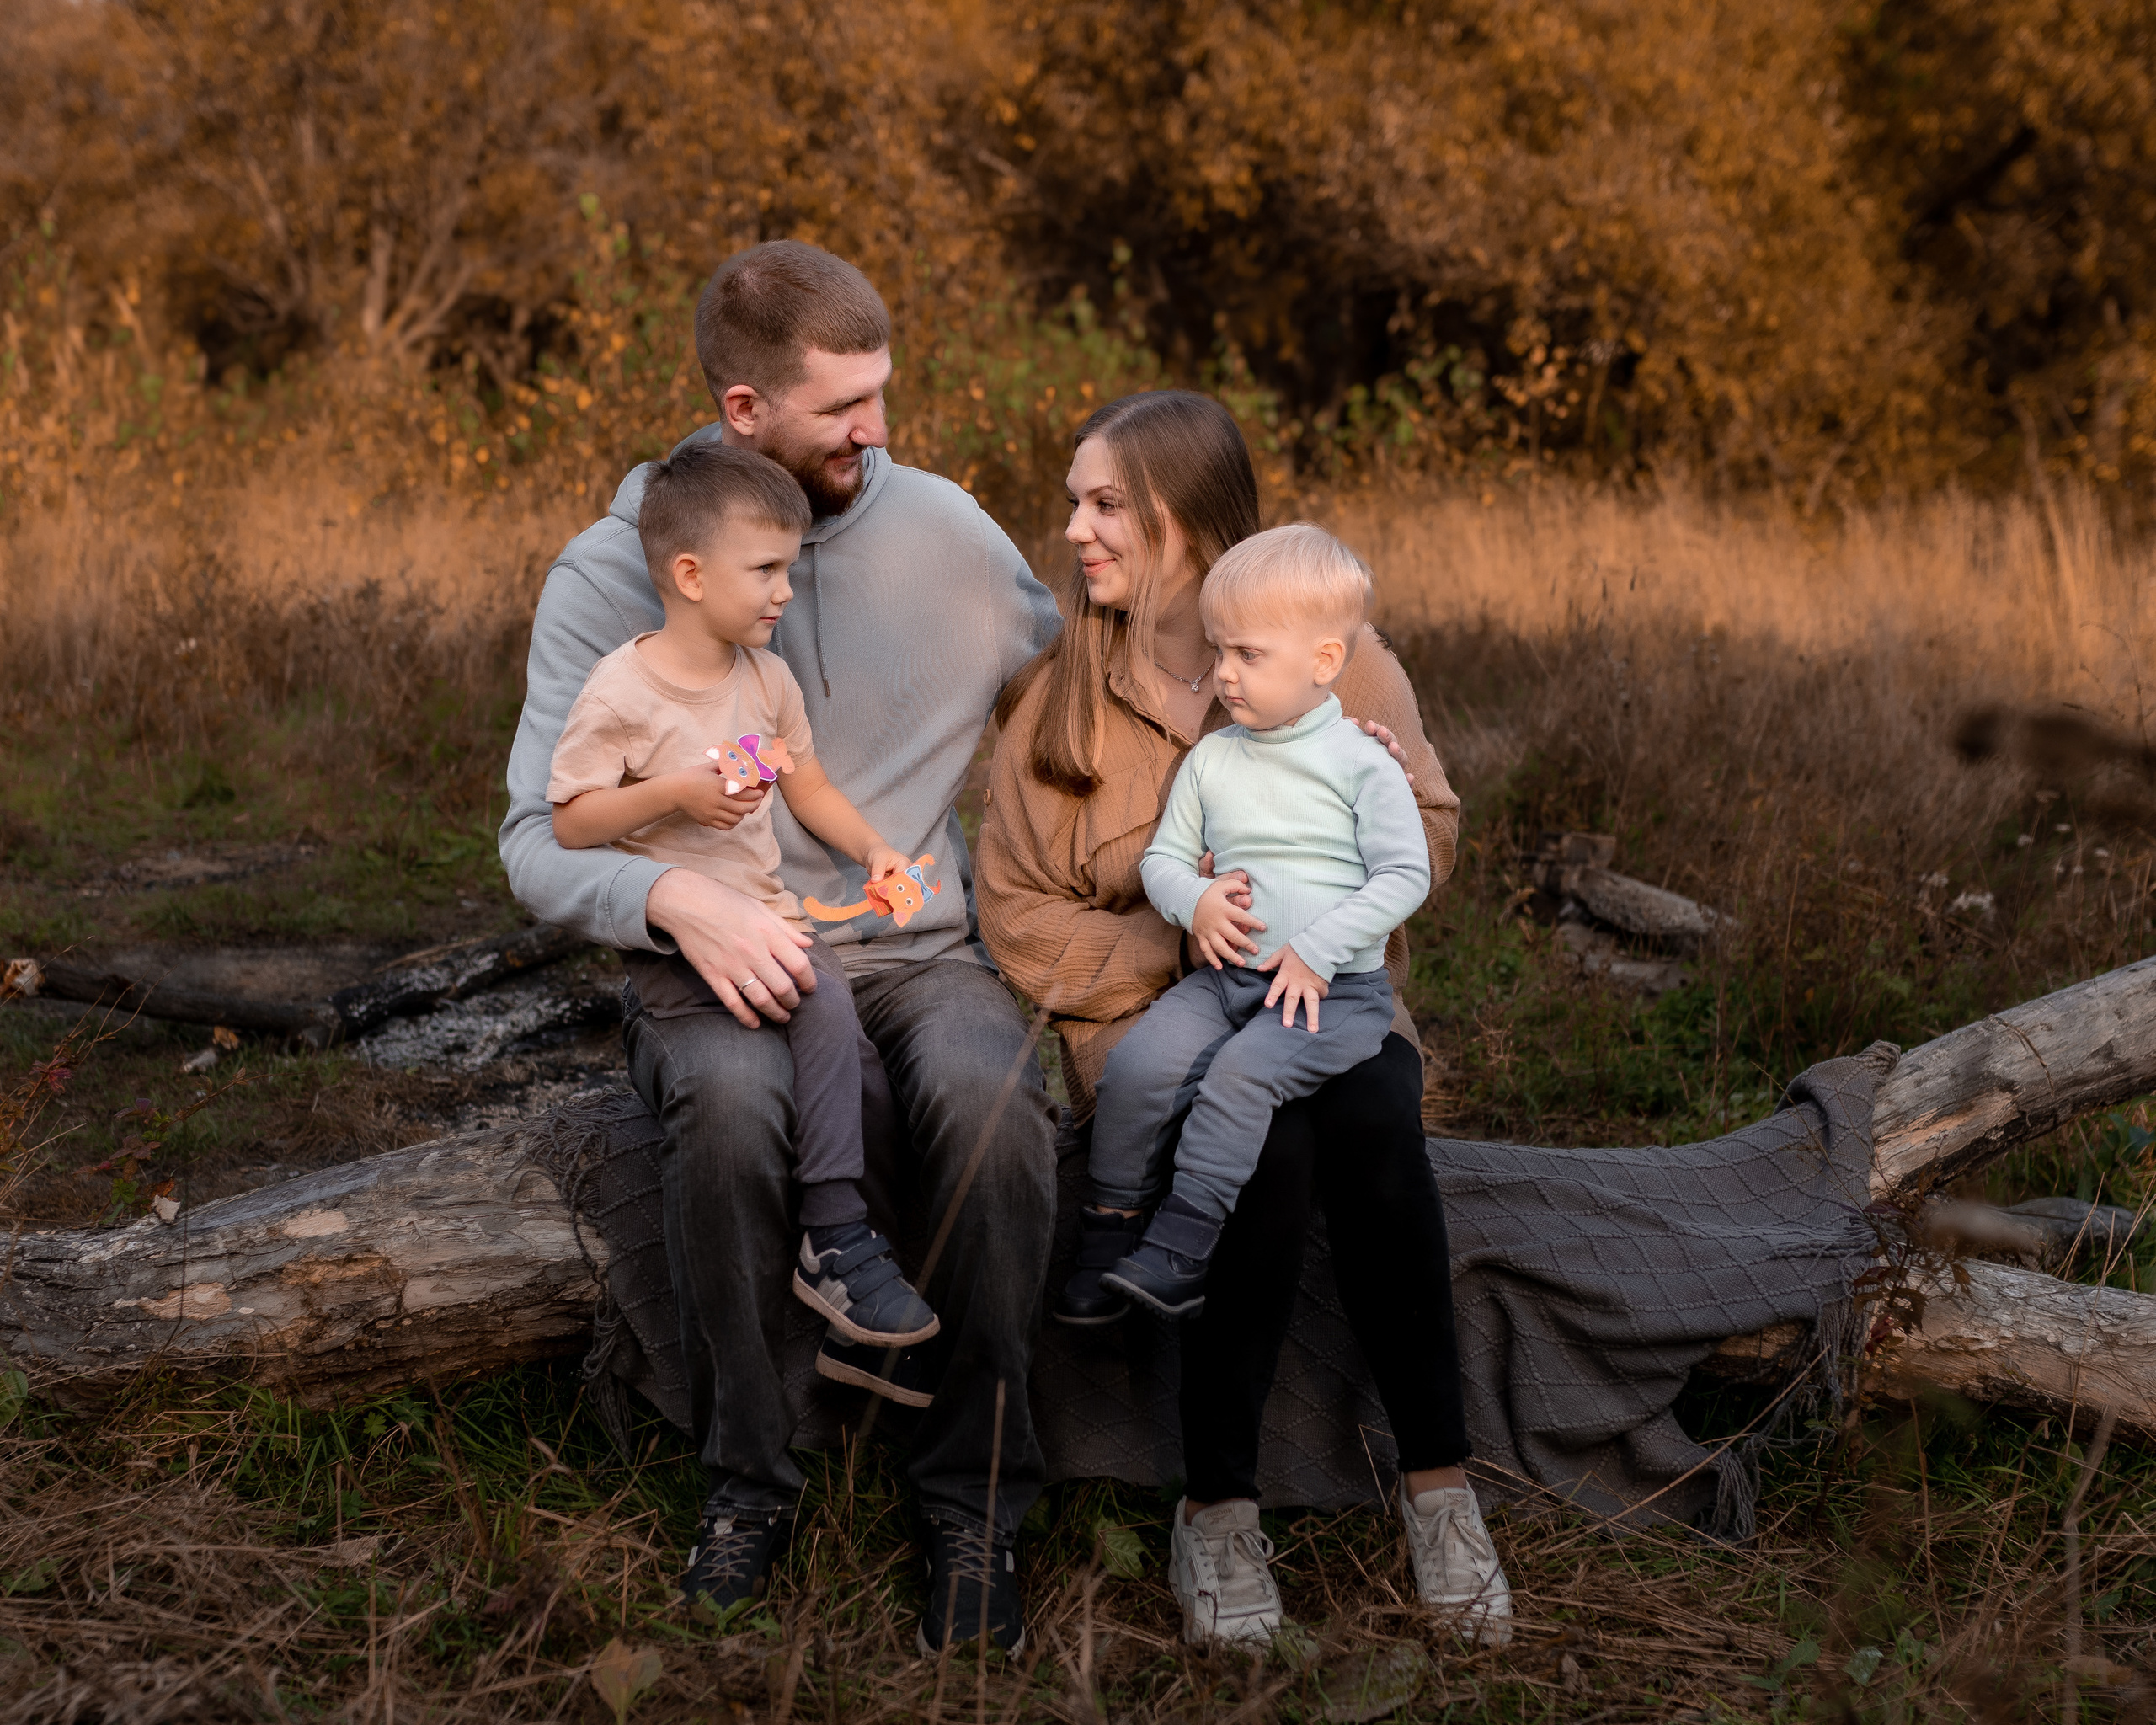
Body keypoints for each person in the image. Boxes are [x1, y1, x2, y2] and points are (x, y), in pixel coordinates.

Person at [500, 241, 1061, 1653]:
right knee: (734, 1104)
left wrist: (1309, 723)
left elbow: (1083, 678)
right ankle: (751, 1480)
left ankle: (975, 1499)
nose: (879, 429)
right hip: (710, 960)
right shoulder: (612, 575)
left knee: (991, 1100)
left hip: (913, 947)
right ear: (744, 409)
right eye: (843, 408)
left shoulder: (947, 533)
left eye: (884, 393)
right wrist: (674, 902)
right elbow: (534, 840)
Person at [976, 391, 1513, 1648]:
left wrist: (1376, 792)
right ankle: (1216, 1508)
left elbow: (1433, 837)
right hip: (1152, 1025)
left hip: (1323, 998)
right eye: (1074, 502)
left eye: (1106, 503)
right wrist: (1188, 946)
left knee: (1377, 1116)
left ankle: (1440, 1486)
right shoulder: (1058, 697)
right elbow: (1015, 915)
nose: (1075, 528)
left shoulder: (1341, 654)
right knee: (1264, 1150)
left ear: (1184, 517)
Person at [547, 441, 939, 1352]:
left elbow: (809, 787)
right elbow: (571, 819)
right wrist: (672, 795)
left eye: (788, 569)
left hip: (768, 920)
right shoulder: (623, 690)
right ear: (690, 575)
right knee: (806, 1020)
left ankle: (861, 1251)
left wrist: (874, 849)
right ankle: (832, 1234)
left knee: (852, 1054)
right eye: (765, 570)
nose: (785, 592)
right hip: (676, 950)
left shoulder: (765, 679)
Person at [1065, 521, 1432, 1322]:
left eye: (1249, 655)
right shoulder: (1213, 759)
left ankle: (1183, 1247)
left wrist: (1317, 949)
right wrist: (1193, 901)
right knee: (1138, 1067)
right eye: (1219, 650)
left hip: (1330, 992)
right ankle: (1109, 1225)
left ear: (1324, 662)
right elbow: (1164, 859)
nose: (1225, 673)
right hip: (1224, 979)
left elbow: (1407, 874)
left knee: (1240, 1078)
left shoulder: (1362, 761)